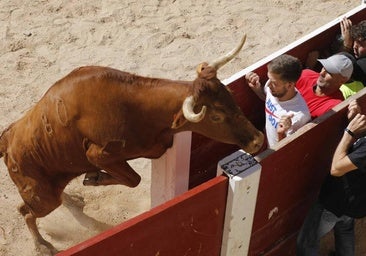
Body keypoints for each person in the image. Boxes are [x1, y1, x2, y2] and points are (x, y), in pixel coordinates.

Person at [296, 100, 366, 256]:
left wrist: (349, 132)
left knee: (307, 242)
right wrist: (355, 123)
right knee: (345, 229)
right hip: (357, 202)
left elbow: (336, 169)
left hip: (336, 202)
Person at [245, 54, 311, 148]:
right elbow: (266, 98)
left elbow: (290, 150)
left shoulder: (299, 117)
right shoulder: (273, 88)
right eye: (269, 78)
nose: (268, 85)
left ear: (289, 85)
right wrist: (256, 88)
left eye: (274, 83)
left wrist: (281, 133)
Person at [296, 54, 353, 119]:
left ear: (342, 80)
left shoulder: (335, 106)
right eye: (324, 67)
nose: (322, 73)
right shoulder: (305, 75)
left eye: (329, 72)